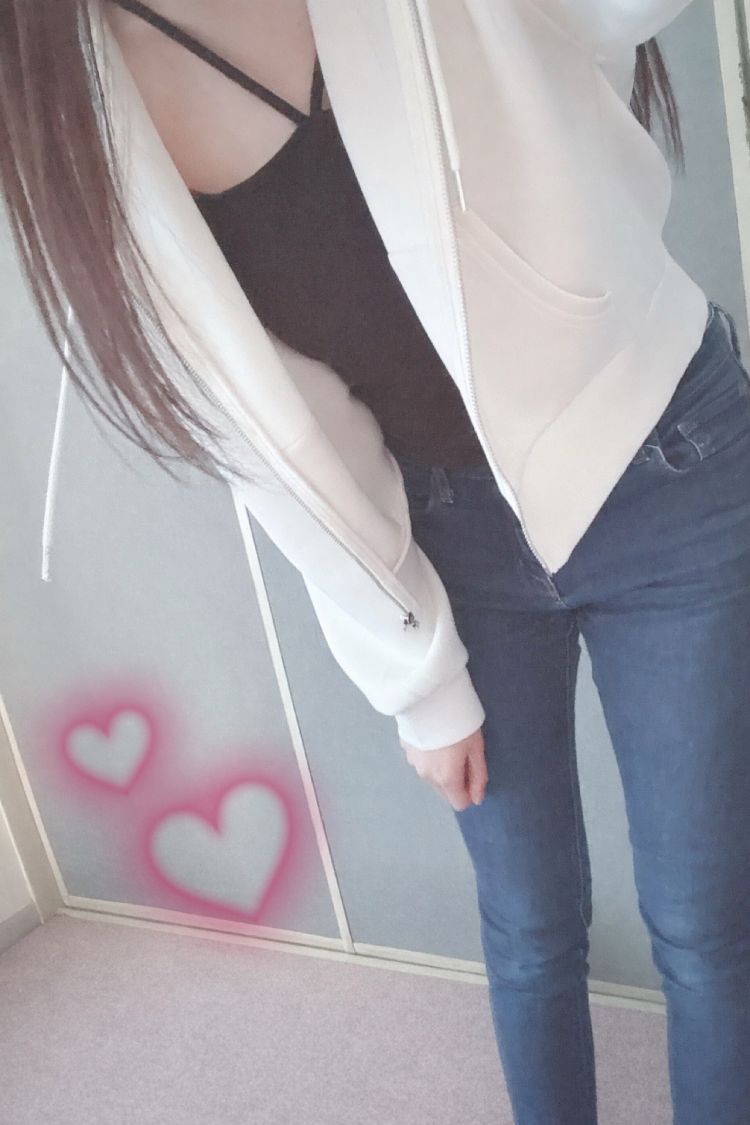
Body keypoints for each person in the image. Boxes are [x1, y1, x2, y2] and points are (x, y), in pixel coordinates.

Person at [1, 1, 748, 1121]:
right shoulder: (71, 96)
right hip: (447, 539)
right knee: (529, 924)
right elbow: (279, 444)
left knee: (705, 925)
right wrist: (417, 677)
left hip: (665, 459)